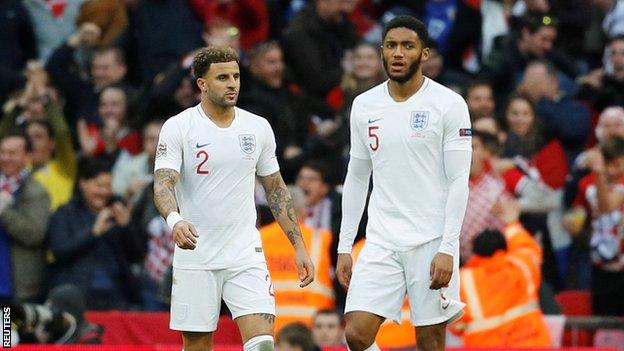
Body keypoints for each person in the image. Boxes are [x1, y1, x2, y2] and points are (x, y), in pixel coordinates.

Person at [153, 46, 315, 351]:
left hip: (244, 252)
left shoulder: (257, 127)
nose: (233, 84)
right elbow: (163, 184)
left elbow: (276, 189)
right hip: (196, 253)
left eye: (236, 76)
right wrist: (175, 220)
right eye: (223, 77)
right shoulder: (179, 127)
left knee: (264, 344)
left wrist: (298, 245)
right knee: (198, 346)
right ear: (202, 83)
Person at [335, 16, 472, 351]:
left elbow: (459, 181)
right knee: (356, 334)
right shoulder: (364, 105)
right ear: (382, 51)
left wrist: (447, 247)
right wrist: (344, 245)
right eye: (391, 45)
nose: (398, 53)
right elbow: (357, 176)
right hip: (382, 239)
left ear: (424, 54)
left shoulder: (448, 104)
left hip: (431, 239)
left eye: (407, 46)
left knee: (429, 341)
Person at [450, 198, 551, 347]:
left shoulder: (462, 281)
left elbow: (456, 326)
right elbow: (527, 247)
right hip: (531, 343)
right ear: (505, 248)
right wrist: (512, 223)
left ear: (476, 253)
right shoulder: (521, 266)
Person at [260, 186, 334, 333]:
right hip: (311, 330)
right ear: (303, 210)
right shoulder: (320, 238)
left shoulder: (259, 238)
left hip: (267, 327)